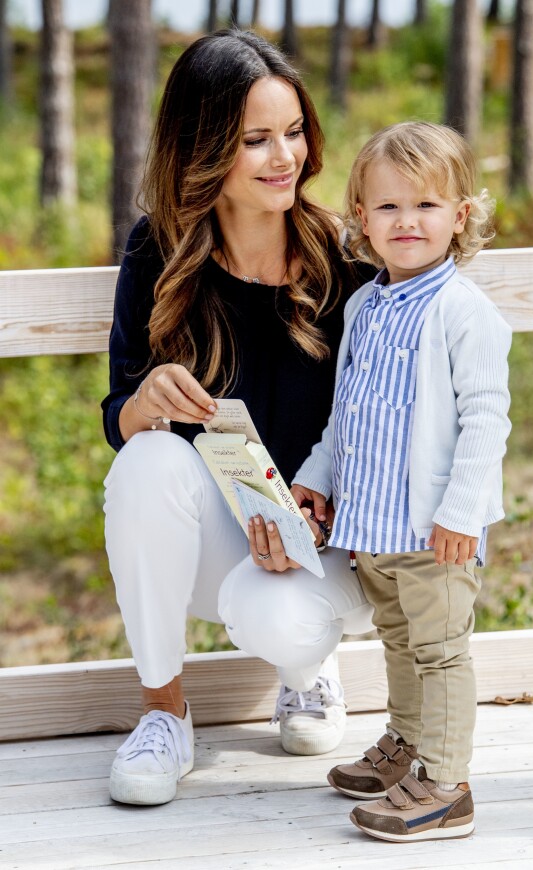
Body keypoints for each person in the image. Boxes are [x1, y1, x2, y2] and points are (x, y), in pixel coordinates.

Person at [101, 29, 374, 807]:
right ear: (205, 146)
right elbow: (116, 411)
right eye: (256, 139)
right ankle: (164, 716)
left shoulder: (345, 262)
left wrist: (324, 515)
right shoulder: (158, 252)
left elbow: (383, 420)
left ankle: (308, 669)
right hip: (216, 543)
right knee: (146, 461)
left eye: (292, 132)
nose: (284, 156)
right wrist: (140, 406)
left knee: (287, 622)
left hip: (328, 545)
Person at [288, 121, 512, 842]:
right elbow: (343, 419)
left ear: (461, 216)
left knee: (441, 650)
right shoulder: (364, 307)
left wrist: (461, 514)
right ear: (362, 219)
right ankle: (406, 747)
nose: (407, 221)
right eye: (388, 207)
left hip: (434, 528)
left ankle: (446, 786)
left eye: (427, 205)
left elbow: (485, 422)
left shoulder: (463, 313)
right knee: (398, 640)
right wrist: (315, 479)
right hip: (374, 526)